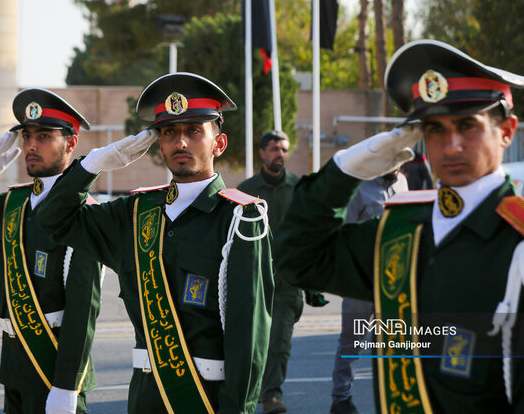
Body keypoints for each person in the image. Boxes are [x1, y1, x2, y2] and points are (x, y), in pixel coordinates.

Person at [275, 39, 524, 413]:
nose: (451, 145)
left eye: (467, 125)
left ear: (507, 131)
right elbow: (298, 258)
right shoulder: (401, 235)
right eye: (435, 129)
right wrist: (344, 171)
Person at [36, 72, 274, 414]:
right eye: (169, 133)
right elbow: (52, 220)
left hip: (205, 398)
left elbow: (248, 337)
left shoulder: (239, 218)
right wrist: (93, 164)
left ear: (218, 143)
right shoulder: (133, 212)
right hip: (145, 395)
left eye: (194, 131)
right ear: (158, 144)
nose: (180, 143)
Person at [0, 89, 101, 414]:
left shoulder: (84, 213)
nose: (30, 145)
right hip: (14, 363)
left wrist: (67, 386)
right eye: (26, 136)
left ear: (70, 143)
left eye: (43, 136)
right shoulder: (12, 204)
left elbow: (83, 313)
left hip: (53, 366)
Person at [237, 129, 312, 414]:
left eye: (283, 149)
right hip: (255, 278)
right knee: (253, 342)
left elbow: (308, 233)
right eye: (273, 149)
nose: (279, 154)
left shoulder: (298, 188)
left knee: (279, 343)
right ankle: (248, 391)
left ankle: (271, 397)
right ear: (262, 152)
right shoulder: (246, 190)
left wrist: (312, 279)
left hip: (288, 280)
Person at [330, 170, 408, 414]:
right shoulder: (359, 188)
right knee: (352, 342)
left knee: (393, 344)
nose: (395, 165)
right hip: (362, 281)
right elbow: (346, 235)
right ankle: (341, 399)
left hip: (395, 283)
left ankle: (395, 397)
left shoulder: (404, 183)